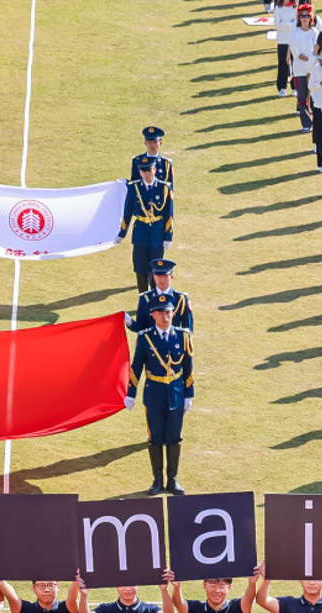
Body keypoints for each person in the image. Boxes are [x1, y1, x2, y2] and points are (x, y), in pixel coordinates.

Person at [125, 293, 193, 495]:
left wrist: (189, 394)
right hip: (154, 393)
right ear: (153, 314)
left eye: (169, 312)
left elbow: (188, 367)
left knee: (174, 437)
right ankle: (157, 480)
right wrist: (131, 393)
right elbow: (137, 367)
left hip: (176, 394)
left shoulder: (182, 335)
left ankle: (172, 479)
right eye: (161, 313)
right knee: (155, 437)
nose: (166, 316)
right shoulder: (145, 337)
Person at [117, 153, 173, 294]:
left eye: (149, 170)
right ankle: (143, 297)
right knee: (140, 268)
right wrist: (122, 233)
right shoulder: (134, 187)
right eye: (143, 171)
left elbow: (169, 213)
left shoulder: (164, 188)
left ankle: (155, 298)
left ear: (154, 170)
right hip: (141, 232)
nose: (146, 174)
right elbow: (128, 211)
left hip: (157, 232)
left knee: (156, 268)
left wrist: (168, 236)